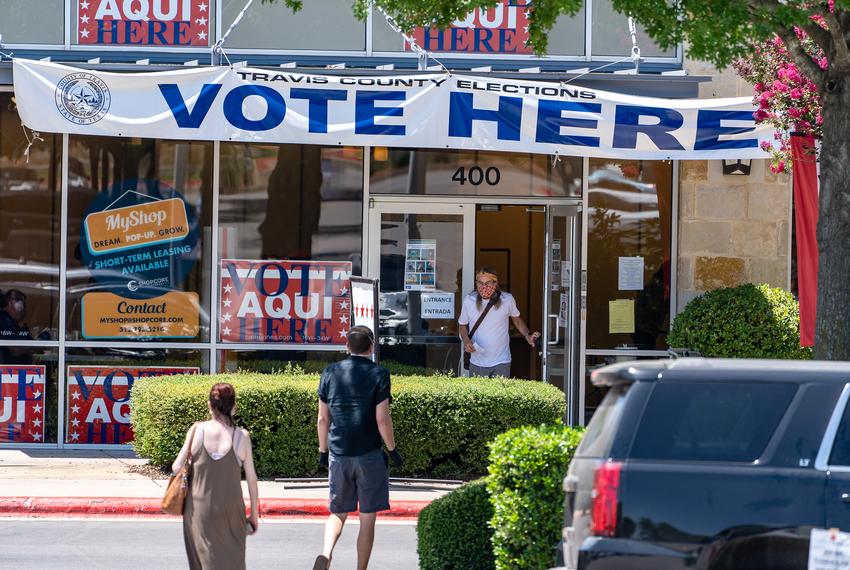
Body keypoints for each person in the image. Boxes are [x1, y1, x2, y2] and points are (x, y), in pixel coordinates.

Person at [314, 325, 403, 570]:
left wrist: (323, 451)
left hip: (339, 454)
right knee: (367, 519)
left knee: (337, 513)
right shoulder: (379, 374)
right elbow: (382, 418)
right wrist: (393, 449)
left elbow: (323, 418)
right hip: (370, 455)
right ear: (372, 347)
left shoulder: (330, 372)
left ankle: (325, 553)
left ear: (347, 347)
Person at [172, 383, 259, 570]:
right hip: (232, 510)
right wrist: (254, 514)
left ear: (209, 405)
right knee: (234, 561)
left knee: (201, 562)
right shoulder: (241, 436)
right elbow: (252, 479)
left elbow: (176, 466)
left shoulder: (197, 430)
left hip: (198, 509)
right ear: (233, 406)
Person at [458, 268, 540, 378]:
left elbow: (516, 319)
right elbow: (462, 325)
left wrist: (527, 336)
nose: (484, 287)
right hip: (477, 361)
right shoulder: (469, 300)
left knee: (500, 395)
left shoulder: (507, 299)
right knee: (478, 395)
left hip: (501, 361)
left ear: (495, 284)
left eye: (488, 283)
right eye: (480, 283)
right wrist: (466, 340)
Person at [0, 289, 37, 364]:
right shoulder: (4, 321)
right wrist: (39, 341)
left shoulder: (12, 323)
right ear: (9, 302)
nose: (22, 305)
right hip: (7, 372)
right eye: (18, 300)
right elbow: (16, 349)